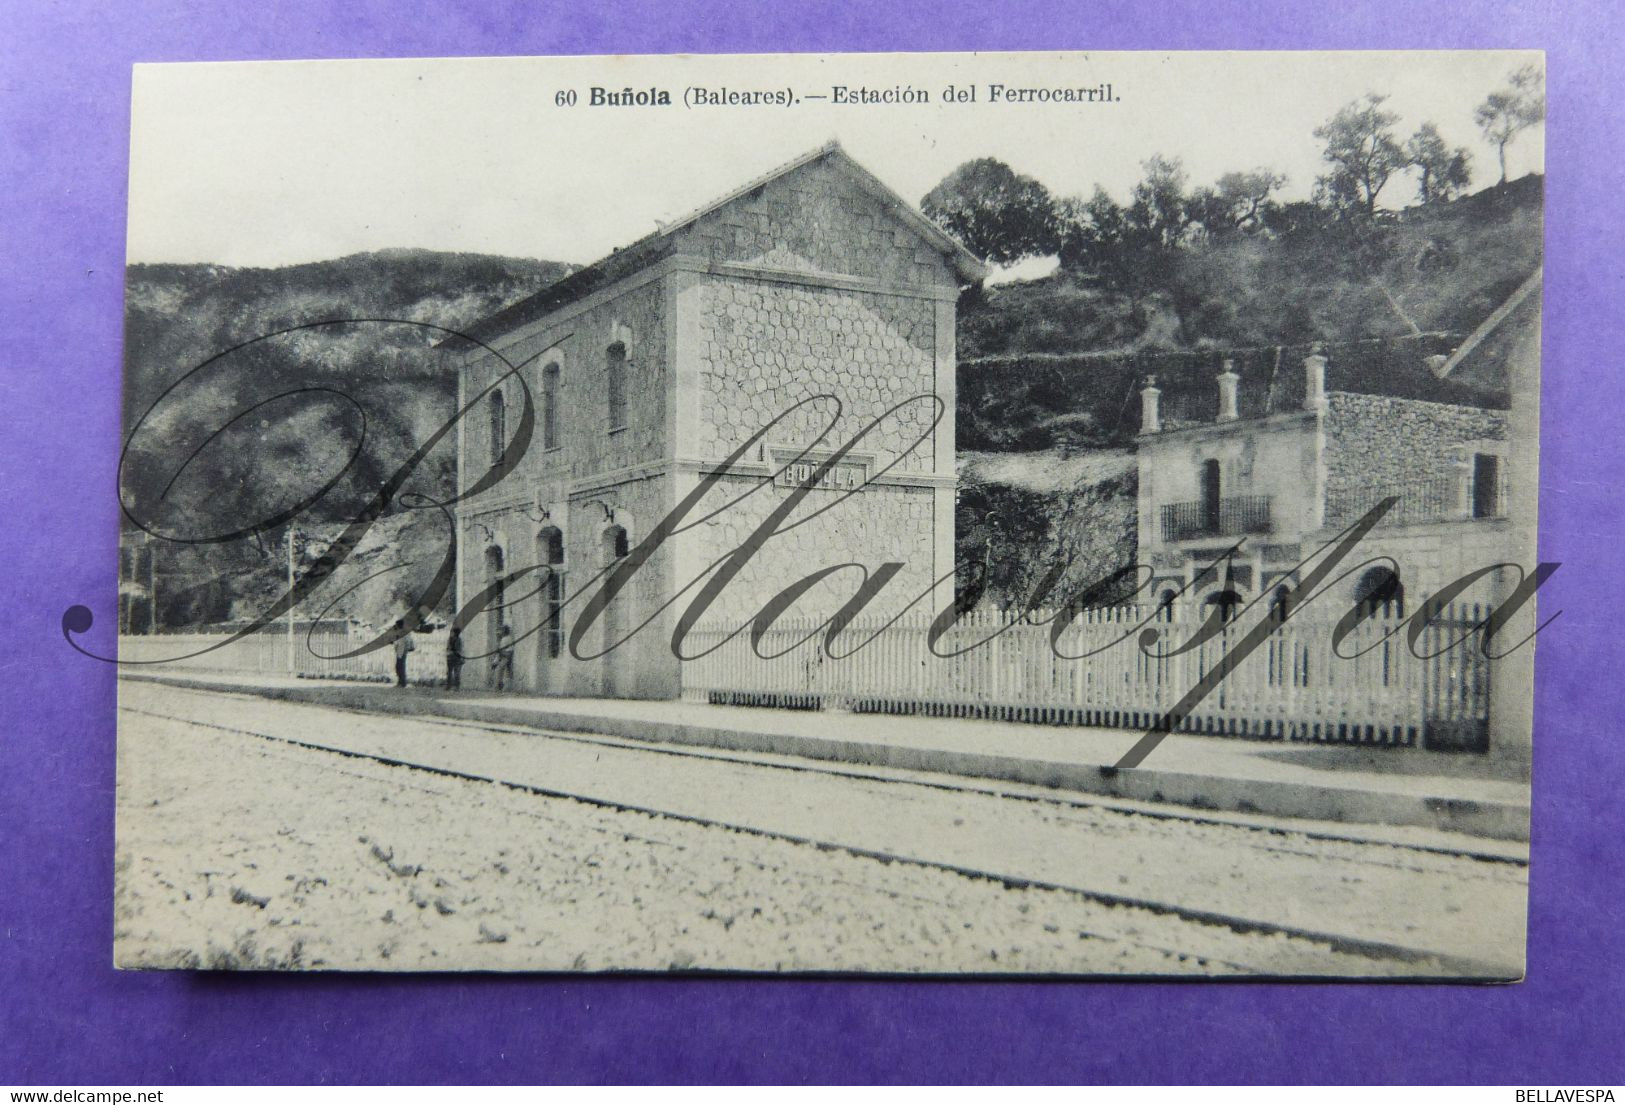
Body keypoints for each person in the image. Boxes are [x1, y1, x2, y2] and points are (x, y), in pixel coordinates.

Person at [491, 624, 515, 691]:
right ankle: (499, 686)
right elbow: (499, 652)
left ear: (504, 631)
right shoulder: (502, 639)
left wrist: (500, 653)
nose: (499, 632)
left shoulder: (507, 639)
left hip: (506, 657)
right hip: (503, 657)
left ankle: (502, 686)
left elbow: (509, 651)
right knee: (500, 671)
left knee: (502, 671)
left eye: (501, 630)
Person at [392, 619, 415, 688]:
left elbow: (407, 642)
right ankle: (401, 681)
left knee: (400, 666)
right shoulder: (401, 632)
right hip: (400, 650)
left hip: (402, 650)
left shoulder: (404, 633)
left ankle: (403, 682)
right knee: (399, 666)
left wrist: (406, 648)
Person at [445, 625, 464, 690]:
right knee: (456, 673)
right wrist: (461, 657)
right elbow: (459, 649)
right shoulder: (458, 639)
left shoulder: (450, 639)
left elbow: (448, 648)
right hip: (456, 657)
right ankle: (456, 687)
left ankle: (449, 686)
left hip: (450, 657)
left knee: (450, 672)